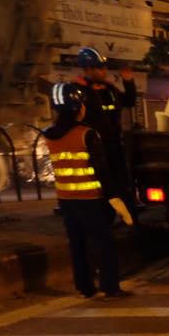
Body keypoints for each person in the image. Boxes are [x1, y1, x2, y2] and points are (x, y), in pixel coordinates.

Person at [44, 82, 133, 300]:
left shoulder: (49, 135)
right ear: (78, 108)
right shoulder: (87, 135)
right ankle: (110, 287)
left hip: (66, 199)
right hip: (90, 199)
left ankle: (85, 287)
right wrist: (114, 198)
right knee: (103, 243)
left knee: (77, 244)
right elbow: (101, 170)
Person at [74, 47, 136, 204]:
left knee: (122, 183)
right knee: (101, 186)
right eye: (99, 68)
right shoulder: (79, 91)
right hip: (94, 147)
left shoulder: (110, 89)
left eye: (104, 67)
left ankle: (128, 213)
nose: (104, 71)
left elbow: (129, 101)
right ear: (87, 69)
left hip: (114, 144)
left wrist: (128, 82)